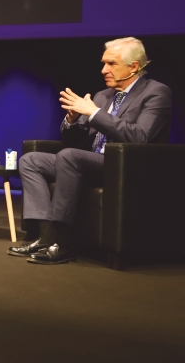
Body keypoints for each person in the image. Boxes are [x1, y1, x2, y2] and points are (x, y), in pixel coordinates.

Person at [12, 37, 173, 264]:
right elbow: (73, 140)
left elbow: (140, 137)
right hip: (92, 161)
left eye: (111, 64)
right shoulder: (103, 96)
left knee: (69, 157)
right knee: (31, 160)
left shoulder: (156, 92)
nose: (103, 70)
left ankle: (64, 242)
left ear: (134, 66)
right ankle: (46, 236)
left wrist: (95, 114)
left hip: (125, 166)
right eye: (103, 63)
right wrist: (73, 120)